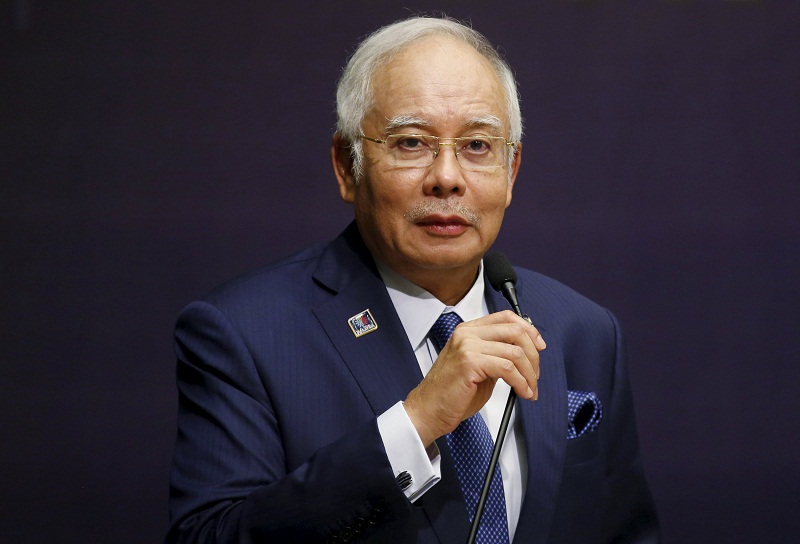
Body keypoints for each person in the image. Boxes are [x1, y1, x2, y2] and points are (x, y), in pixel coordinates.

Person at [167, 16, 659, 544]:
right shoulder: (245, 332)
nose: (446, 177)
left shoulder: (582, 330)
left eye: (477, 145)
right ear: (347, 166)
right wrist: (415, 423)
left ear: (511, 170)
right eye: (410, 143)